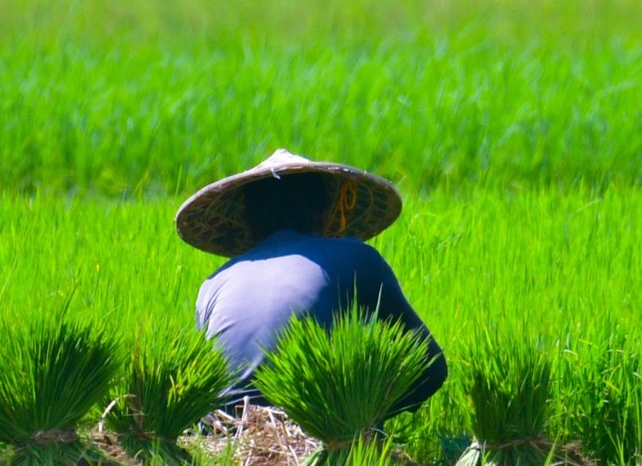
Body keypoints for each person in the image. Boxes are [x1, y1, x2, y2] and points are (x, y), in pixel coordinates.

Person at [174, 149, 446, 412]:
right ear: (322, 214)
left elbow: (208, 385)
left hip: (224, 432)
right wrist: (364, 414)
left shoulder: (213, 283)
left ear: (249, 222)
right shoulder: (357, 257)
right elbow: (430, 364)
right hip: (310, 426)